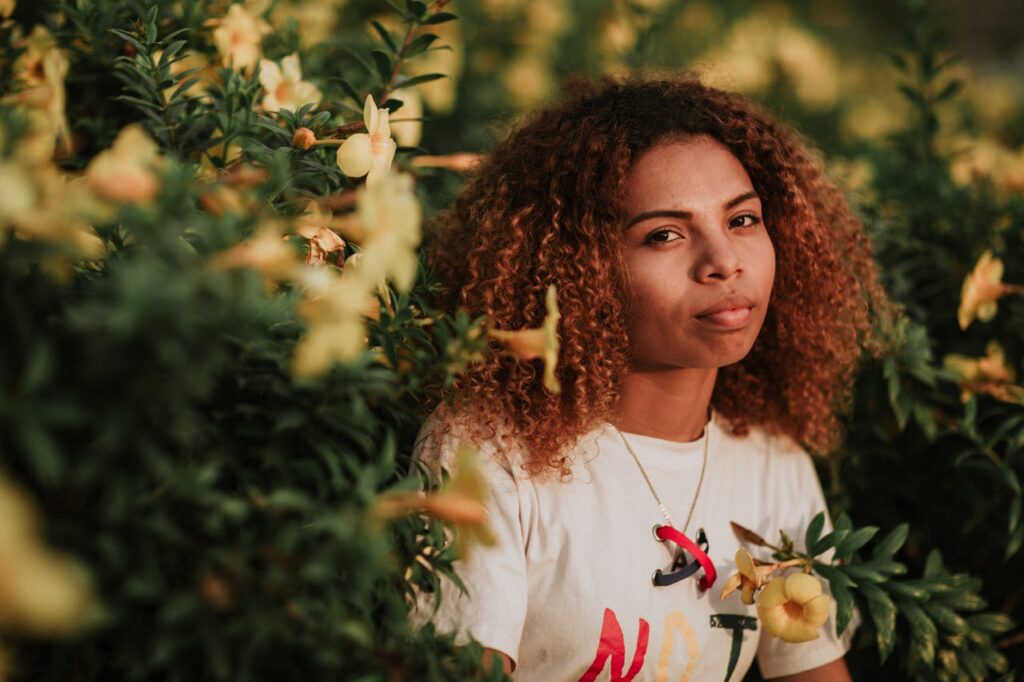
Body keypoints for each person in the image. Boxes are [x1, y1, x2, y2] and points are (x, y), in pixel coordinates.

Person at [411, 74, 892, 681]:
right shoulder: (485, 452)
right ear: (578, 266)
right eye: (664, 234)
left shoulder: (772, 461)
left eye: (742, 220)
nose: (724, 261)